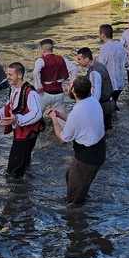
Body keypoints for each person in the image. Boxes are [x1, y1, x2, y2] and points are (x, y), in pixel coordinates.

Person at [47, 76, 106, 205]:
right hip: (99, 151)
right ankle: (83, 197)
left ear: (73, 91)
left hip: (86, 158)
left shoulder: (77, 112)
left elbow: (63, 138)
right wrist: (59, 114)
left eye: (69, 85)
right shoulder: (93, 101)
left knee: (73, 200)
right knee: (69, 176)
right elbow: (79, 120)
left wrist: (53, 119)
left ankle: (76, 220)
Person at [0, 63, 43, 179]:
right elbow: (10, 106)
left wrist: (18, 119)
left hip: (26, 135)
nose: (7, 77)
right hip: (20, 133)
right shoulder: (14, 88)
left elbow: (37, 113)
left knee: (14, 170)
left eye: (10, 74)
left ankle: (16, 192)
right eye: (7, 74)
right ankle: (24, 189)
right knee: (21, 165)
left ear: (19, 75)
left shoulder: (31, 92)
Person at [75, 47, 115, 131]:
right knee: (108, 129)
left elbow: (95, 96)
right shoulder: (99, 65)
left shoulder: (94, 72)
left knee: (97, 130)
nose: (77, 61)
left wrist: (88, 110)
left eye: (79, 59)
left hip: (103, 105)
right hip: (110, 102)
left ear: (86, 59)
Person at [33, 39, 76, 113]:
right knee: (61, 119)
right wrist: (69, 85)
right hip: (59, 94)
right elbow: (74, 69)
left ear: (43, 50)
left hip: (45, 94)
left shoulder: (40, 60)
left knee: (37, 116)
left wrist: (38, 87)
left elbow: (35, 72)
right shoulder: (62, 59)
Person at [98, 24, 127, 106]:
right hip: (120, 83)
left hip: (110, 84)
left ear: (103, 35)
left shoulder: (105, 47)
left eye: (99, 34)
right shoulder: (119, 45)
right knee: (113, 104)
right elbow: (126, 64)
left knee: (108, 107)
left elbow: (101, 66)